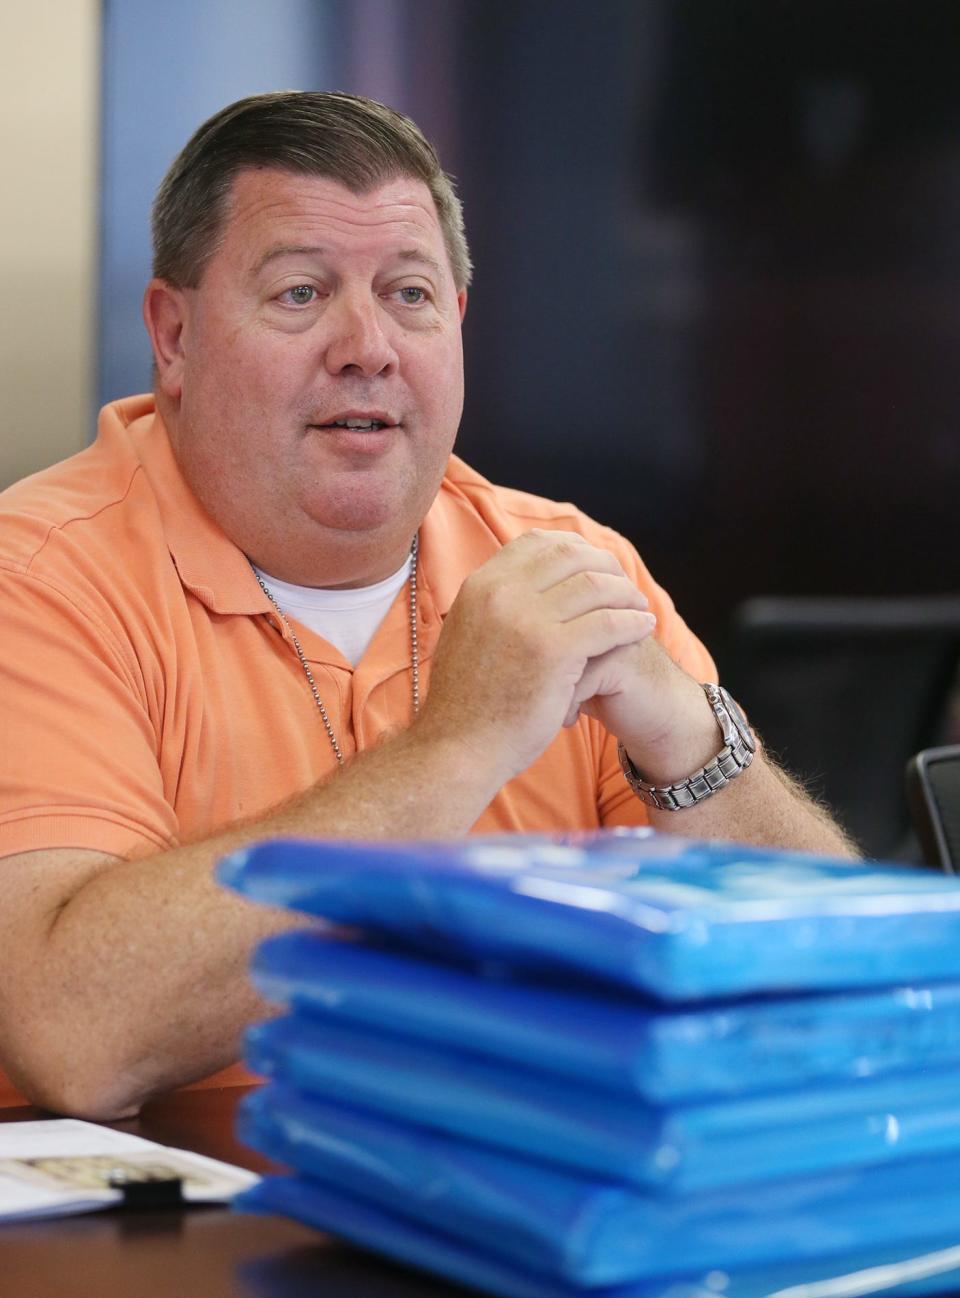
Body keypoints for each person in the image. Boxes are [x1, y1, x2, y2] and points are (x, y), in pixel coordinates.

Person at [0, 92, 854, 1120]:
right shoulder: (39, 575)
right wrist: (458, 747)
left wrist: (688, 745)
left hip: (522, 1209)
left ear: (453, 326)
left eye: (408, 294)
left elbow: (841, 991)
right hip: (164, 1249)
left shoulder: (569, 563)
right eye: (301, 293)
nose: (367, 346)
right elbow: (75, 1039)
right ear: (173, 336)